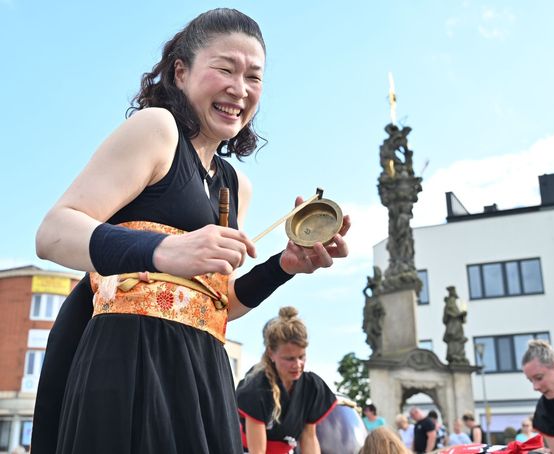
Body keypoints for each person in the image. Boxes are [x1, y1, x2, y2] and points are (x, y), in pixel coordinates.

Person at [31, 8, 350, 454]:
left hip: (204, 373)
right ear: (180, 73)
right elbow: (52, 232)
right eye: (225, 68)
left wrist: (284, 266)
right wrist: (163, 249)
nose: (239, 88)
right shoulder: (156, 129)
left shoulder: (236, 184)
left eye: (254, 77)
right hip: (130, 363)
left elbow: (215, 305)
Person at [236, 307, 336, 453]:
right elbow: (257, 451)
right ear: (271, 353)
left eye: (301, 357)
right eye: (289, 359)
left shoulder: (311, 386)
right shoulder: (256, 387)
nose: (297, 365)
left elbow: (309, 437)